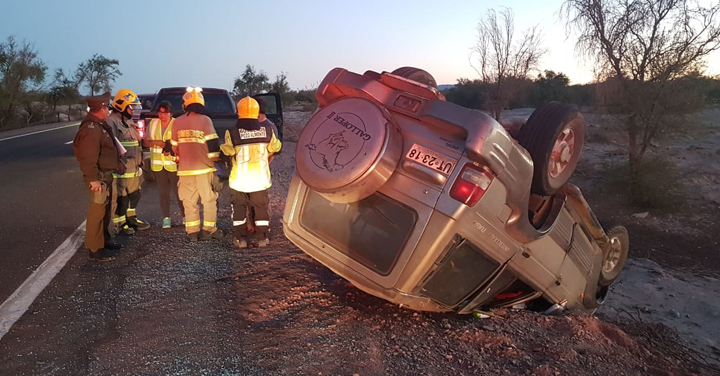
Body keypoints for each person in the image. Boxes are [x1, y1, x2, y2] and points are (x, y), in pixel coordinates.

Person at [221, 96, 282, 248]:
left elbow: (226, 151)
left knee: (239, 210)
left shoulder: (232, 133)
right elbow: (276, 148)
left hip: (239, 181)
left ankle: (241, 240)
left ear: (239, 113)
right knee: (261, 209)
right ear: (256, 113)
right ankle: (262, 238)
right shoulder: (267, 131)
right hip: (260, 179)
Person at [72, 92, 124, 261]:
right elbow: (88, 157)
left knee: (105, 211)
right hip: (99, 177)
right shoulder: (91, 129)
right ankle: (95, 248)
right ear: (100, 109)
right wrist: (93, 178)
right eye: (106, 106)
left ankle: (104, 240)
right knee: (97, 211)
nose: (108, 109)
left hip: (106, 175)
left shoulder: (100, 125)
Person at [171, 87, 224, 242]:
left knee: (189, 202)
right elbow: (213, 146)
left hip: (185, 171)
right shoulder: (205, 120)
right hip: (204, 169)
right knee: (208, 200)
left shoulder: (177, 122)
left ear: (185, 104)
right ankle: (209, 230)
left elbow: (174, 147)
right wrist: (218, 164)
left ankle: (192, 232)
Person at [107, 89, 151, 234]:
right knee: (121, 198)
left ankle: (131, 219)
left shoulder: (128, 121)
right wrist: (116, 164)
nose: (133, 110)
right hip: (121, 168)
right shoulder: (111, 122)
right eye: (130, 106)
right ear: (121, 105)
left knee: (134, 194)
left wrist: (141, 159)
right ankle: (120, 224)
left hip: (133, 166)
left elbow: (135, 143)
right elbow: (110, 146)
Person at [143, 101, 184, 228]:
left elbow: (182, 143)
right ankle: (166, 218)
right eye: (160, 112)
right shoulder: (153, 124)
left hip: (173, 164)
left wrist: (171, 150)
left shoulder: (177, 123)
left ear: (171, 113)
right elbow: (145, 143)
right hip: (157, 165)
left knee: (179, 192)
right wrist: (156, 142)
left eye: (165, 113)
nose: (162, 115)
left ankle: (185, 216)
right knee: (163, 192)